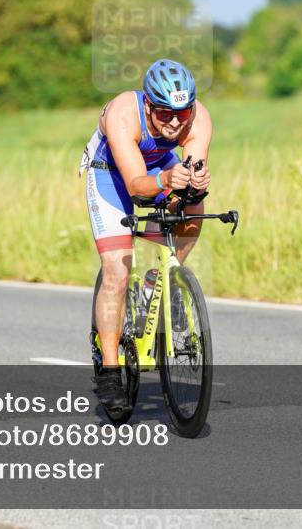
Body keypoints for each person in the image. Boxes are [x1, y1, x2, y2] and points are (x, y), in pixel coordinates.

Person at [78, 58, 212, 410]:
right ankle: (108, 370)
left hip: (156, 166)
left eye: (181, 113)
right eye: (165, 113)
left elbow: (190, 174)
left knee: (193, 208)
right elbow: (138, 188)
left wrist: (194, 185)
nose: (174, 121)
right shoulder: (123, 113)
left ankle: (160, 282)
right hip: (111, 173)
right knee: (117, 271)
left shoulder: (197, 118)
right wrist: (166, 181)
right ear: (149, 105)